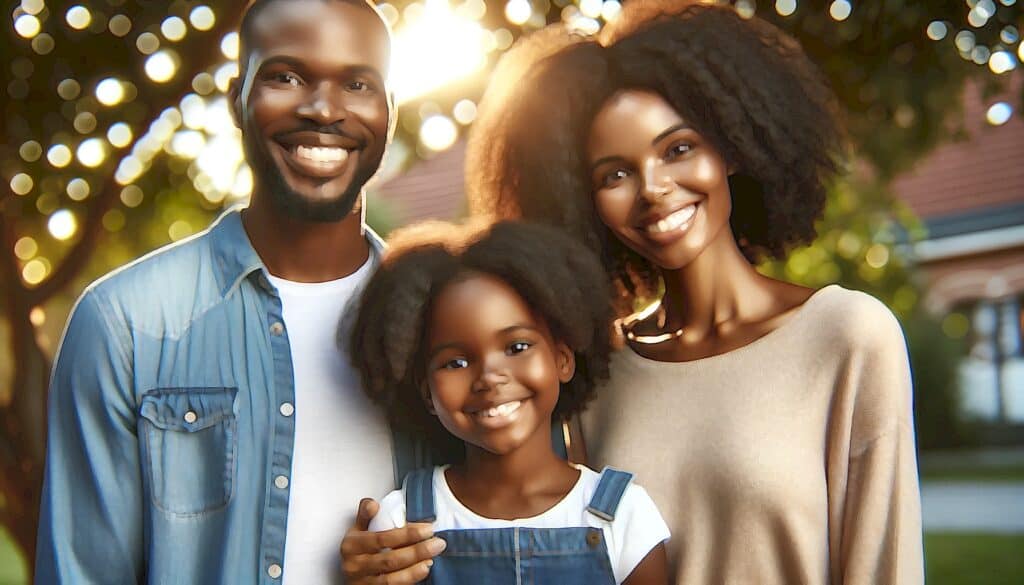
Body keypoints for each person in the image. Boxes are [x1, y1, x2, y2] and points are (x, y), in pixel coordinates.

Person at [463, 3, 925, 584]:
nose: (654, 189)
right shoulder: (597, 371)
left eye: (677, 148)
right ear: (584, 203)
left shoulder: (848, 336)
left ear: (731, 147)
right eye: (614, 174)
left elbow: (887, 566)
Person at [36, 0, 444, 582]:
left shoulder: (446, 320)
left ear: (389, 111)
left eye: (356, 83)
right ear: (237, 100)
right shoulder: (124, 322)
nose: (323, 108)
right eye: (285, 76)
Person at [348, 220, 670, 584]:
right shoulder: (401, 522)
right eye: (456, 362)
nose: (489, 376)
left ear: (562, 358)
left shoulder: (625, 517)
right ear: (427, 393)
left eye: (517, 347)